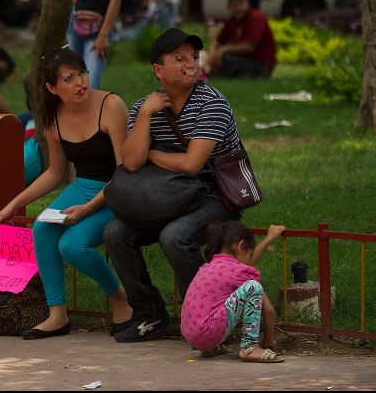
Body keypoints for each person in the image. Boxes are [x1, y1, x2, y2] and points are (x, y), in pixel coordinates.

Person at [103, 27, 244, 343]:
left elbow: (193, 164)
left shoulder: (212, 103)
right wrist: (145, 117)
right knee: (115, 233)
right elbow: (132, 163)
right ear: (158, 70)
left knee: (175, 236)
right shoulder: (145, 106)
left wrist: (153, 152)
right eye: (179, 59)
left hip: (214, 194)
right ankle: (150, 316)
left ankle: (209, 316)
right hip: (168, 194)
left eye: (194, 57)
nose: (190, 64)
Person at [0, 47, 132, 340]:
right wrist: (14, 204)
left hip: (117, 189)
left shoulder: (112, 105)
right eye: (68, 79)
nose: (80, 82)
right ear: (52, 88)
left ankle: (119, 296)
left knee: (72, 246)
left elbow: (124, 172)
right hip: (82, 186)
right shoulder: (52, 119)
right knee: (42, 229)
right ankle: (57, 314)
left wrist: (86, 210)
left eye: (81, 73)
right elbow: (56, 173)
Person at [181, 221, 285, 363]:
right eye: (250, 254)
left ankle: (209, 347)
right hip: (207, 333)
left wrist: (268, 239)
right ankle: (249, 347)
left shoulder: (209, 266)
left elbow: (245, 262)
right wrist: (269, 340)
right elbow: (268, 310)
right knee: (253, 286)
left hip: (192, 336)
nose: (251, 259)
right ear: (241, 246)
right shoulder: (239, 272)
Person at [205, 0, 276, 78]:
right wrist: (212, 51)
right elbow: (218, 40)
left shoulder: (256, 18)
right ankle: (204, 76)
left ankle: (213, 76)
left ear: (248, 3)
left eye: (241, 4)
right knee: (204, 55)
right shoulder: (232, 20)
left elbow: (249, 47)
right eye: (235, 5)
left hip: (260, 64)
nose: (239, 8)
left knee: (225, 58)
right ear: (229, 7)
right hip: (242, 59)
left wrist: (223, 50)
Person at [113, 0, 180, 42]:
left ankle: (124, 34)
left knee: (161, 8)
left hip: (167, 24)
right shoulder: (153, 1)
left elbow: (171, 6)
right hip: (153, 24)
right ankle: (122, 34)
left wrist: (156, 2)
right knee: (140, 22)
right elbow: (149, 16)